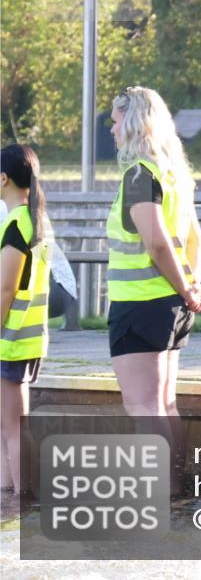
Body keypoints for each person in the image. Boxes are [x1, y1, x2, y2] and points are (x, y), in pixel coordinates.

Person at [106, 87, 201, 487]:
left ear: (133, 123)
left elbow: (155, 241)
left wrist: (187, 292)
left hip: (140, 304)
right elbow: (195, 241)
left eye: (116, 122)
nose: (112, 130)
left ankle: (158, 496)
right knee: (165, 404)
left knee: (143, 407)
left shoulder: (139, 175)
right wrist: (190, 290)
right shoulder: (174, 174)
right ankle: (177, 492)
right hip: (170, 304)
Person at [0, 145, 50, 501]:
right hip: (21, 339)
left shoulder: (18, 223)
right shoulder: (31, 218)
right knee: (7, 427)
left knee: (14, 427)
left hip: (11, 339)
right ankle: (8, 496)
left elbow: (5, 290)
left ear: (3, 178)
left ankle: (24, 503)